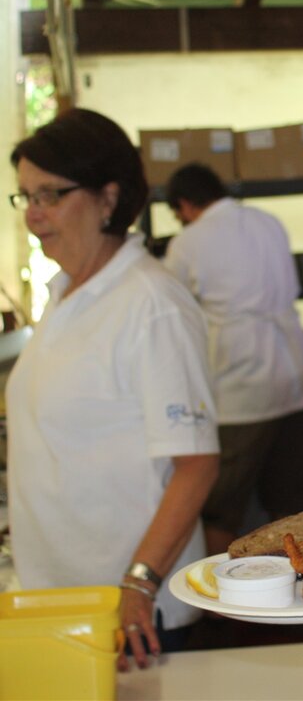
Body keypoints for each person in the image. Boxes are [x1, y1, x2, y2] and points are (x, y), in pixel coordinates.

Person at [6, 108, 220, 671]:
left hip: (130, 617)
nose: (33, 215)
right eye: (25, 197)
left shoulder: (151, 305)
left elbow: (195, 465)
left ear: (108, 197)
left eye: (50, 195)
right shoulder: (65, 295)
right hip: (63, 599)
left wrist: (139, 584)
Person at [163, 163, 303, 555]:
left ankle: (218, 611)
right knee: (292, 505)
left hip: (241, 387)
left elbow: (171, 309)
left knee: (221, 506)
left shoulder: (190, 241)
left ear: (184, 205)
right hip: (294, 375)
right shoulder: (268, 221)